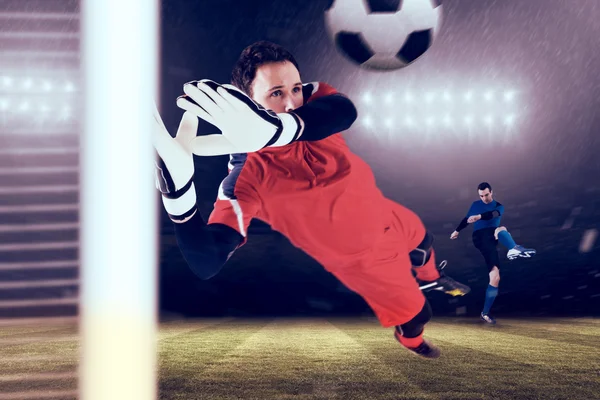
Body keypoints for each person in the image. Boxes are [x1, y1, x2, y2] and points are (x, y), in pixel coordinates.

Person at [154, 41, 470, 358]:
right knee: (419, 315)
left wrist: (277, 127)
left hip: (383, 211)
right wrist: (179, 196)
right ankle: (410, 339)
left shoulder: (311, 103)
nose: (292, 101)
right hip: (363, 258)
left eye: (294, 88)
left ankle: (432, 277)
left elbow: (345, 111)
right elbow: (206, 262)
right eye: (275, 93)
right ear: (249, 102)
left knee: (423, 241)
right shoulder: (246, 179)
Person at [450, 182, 536, 324]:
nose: (484, 198)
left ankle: (485, 313)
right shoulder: (475, 204)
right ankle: (513, 248)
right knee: (501, 228)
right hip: (479, 237)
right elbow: (466, 219)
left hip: (491, 241)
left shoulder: (498, 206)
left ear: (492, 192)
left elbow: (492, 214)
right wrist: (457, 230)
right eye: (481, 196)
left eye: (486, 195)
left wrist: (478, 217)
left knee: (495, 277)